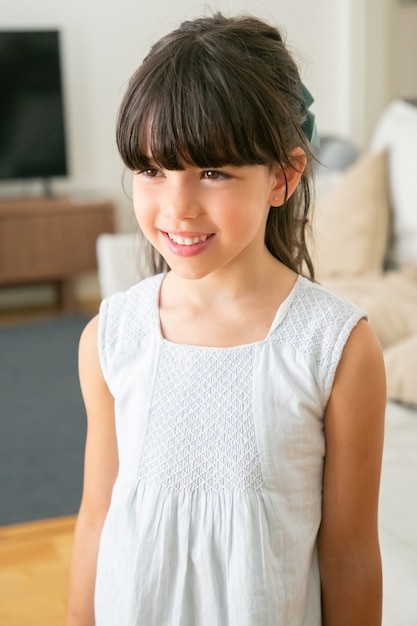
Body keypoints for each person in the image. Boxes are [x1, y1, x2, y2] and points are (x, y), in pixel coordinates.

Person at [66, 13, 386, 626]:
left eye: (213, 172)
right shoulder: (110, 337)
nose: (177, 206)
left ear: (284, 177)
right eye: (153, 170)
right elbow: (96, 519)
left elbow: (349, 559)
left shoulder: (337, 349)